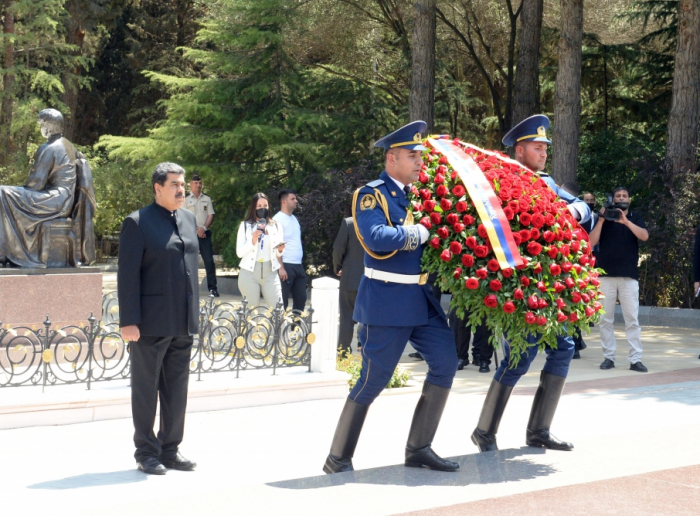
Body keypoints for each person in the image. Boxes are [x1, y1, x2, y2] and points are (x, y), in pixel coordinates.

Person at [323, 120, 459, 474]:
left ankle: (419, 448)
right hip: (387, 300)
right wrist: (419, 231)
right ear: (391, 158)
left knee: (445, 363)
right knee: (373, 379)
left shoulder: (423, 193)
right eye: (412, 155)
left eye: (421, 156)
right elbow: (378, 239)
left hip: (422, 299)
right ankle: (338, 458)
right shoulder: (372, 194)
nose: (419, 162)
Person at [471, 114, 591, 454]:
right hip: (519, 285)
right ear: (520, 150)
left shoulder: (547, 182)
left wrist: (577, 212)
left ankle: (539, 430)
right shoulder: (502, 181)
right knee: (519, 357)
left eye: (545, 148)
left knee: (564, 348)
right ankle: (485, 430)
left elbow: (581, 207)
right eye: (537, 148)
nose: (543, 154)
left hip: (550, 284)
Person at [118, 162, 199, 475]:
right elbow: (127, 277)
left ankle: (170, 449)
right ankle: (146, 452)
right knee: (145, 389)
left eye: (182, 184)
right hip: (149, 324)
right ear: (158, 188)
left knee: (177, 389)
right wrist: (129, 321)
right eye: (175, 185)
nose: (181, 190)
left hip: (182, 322)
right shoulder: (137, 223)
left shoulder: (190, 220)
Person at [0, 109, 81, 268]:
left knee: (2, 193)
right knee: (5, 194)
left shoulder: (50, 147)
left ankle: (10, 252)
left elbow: (35, 184)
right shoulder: (68, 145)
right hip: (65, 199)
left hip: (55, 199)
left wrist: (20, 190)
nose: (40, 128)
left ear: (49, 126)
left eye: (41, 124)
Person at [589, 186, 649, 373]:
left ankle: (635, 359)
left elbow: (644, 236)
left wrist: (625, 222)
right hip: (605, 276)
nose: (621, 198)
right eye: (618, 196)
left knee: (632, 319)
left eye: (624, 196)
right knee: (605, 319)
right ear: (612, 199)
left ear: (629, 200)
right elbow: (590, 242)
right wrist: (601, 220)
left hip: (629, 276)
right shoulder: (604, 219)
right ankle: (609, 357)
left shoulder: (635, 217)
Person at [236, 193, 285, 308]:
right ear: (253, 208)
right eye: (259, 206)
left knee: (278, 310)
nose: (262, 208)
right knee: (251, 312)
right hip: (249, 273)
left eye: (265, 205)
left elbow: (278, 252)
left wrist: (281, 250)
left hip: (270, 273)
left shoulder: (276, 226)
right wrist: (252, 240)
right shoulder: (245, 226)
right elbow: (239, 253)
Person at [332, 214, 365, 354]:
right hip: (372, 280)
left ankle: (343, 352)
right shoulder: (380, 223)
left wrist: (337, 267)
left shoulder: (349, 223)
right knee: (369, 318)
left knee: (346, 317)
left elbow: (338, 249)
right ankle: (366, 349)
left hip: (350, 277)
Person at [185, 174, 218, 297]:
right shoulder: (186, 200)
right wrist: (195, 230)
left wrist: (203, 229)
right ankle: (190, 289)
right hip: (190, 234)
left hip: (204, 234)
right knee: (189, 262)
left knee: (209, 261)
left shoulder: (207, 199)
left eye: (200, 183)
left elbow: (211, 215)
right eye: (196, 183)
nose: (198, 185)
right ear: (191, 184)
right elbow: (183, 217)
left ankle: (213, 289)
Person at [273, 189, 307, 311]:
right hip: (286, 265)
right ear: (284, 201)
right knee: (283, 302)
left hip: (298, 265)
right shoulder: (278, 219)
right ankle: (281, 329)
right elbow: (276, 245)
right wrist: (281, 267)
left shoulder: (294, 219)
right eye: (292, 199)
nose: (296, 201)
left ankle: (296, 328)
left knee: (301, 299)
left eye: (296, 198)